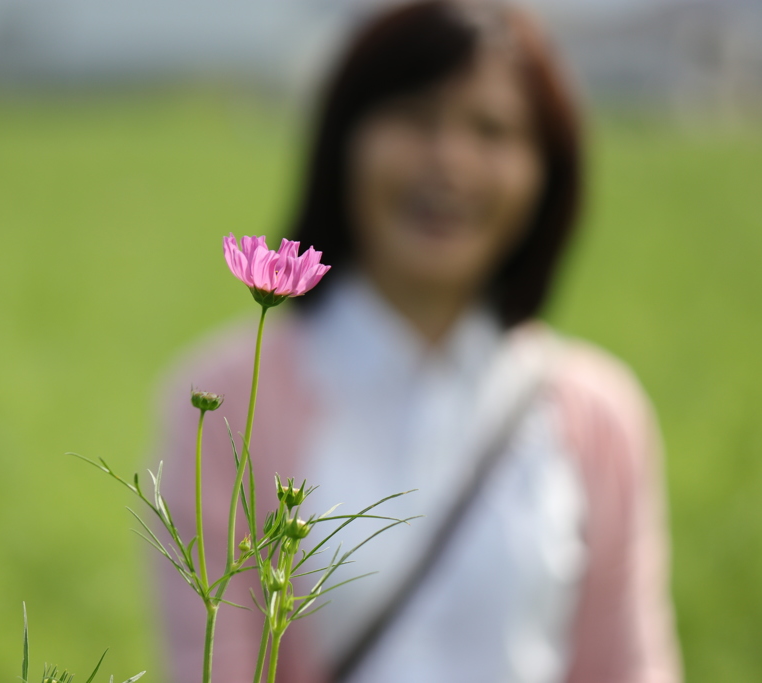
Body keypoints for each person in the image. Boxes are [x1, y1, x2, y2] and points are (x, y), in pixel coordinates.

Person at [154, 1, 682, 682]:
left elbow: (630, 668)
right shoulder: (227, 394)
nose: (449, 161)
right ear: (343, 140)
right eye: (416, 118)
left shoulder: (597, 414)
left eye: (492, 130)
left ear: (545, 172)